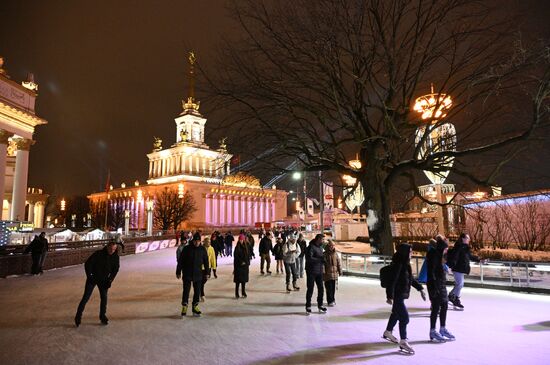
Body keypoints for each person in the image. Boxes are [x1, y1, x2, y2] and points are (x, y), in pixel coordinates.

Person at [382, 243, 426, 355]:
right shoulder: (399, 264)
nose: (412, 253)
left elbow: (410, 279)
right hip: (397, 295)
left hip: (401, 293)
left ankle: (388, 331)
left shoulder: (405, 264)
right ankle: (403, 341)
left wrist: (420, 289)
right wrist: (390, 296)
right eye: (410, 251)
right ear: (405, 252)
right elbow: (393, 280)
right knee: (404, 317)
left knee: (396, 314)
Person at [75, 240, 120, 326]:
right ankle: (78, 316)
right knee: (86, 297)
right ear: (107, 247)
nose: (112, 251)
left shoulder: (115, 257)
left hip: (104, 280)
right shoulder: (98, 254)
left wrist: (110, 280)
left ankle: (102, 316)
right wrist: (90, 276)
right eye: (110, 249)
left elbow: (115, 269)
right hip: (93, 279)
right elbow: (88, 264)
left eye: (114, 249)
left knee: (104, 298)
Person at [427, 236, 455, 342]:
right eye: (446, 248)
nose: (447, 250)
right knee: (435, 308)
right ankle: (432, 330)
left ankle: (442, 328)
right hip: (436, 286)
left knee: (444, 305)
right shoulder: (434, 256)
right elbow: (432, 273)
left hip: (441, 285)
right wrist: (434, 287)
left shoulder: (439, 256)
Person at [176, 232, 209, 317]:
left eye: (198, 241)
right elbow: (181, 261)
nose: (197, 243)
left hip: (198, 274)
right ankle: (184, 306)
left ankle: (195, 307)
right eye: (195, 241)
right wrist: (178, 271)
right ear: (193, 240)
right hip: (187, 273)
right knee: (186, 291)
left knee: (197, 291)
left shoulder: (202, 249)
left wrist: (207, 273)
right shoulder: (187, 249)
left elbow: (206, 261)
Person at [447, 233, 483, 310]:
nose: (469, 240)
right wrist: (451, 265)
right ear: (463, 239)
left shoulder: (465, 248)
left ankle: (451, 296)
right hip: (457, 268)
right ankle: (455, 298)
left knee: (459, 284)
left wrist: (479, 260)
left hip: (461, 268)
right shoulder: (459, 247)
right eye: (467, 238)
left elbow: (470, 256)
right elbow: (455, 257)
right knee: (460, 284)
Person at [305, 234, 326, 315]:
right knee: (310, 289)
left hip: (319, 271)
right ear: (318, 239)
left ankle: (320, 304)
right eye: (322, 240)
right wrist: (320, 259)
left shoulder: (320, 247)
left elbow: (321, 257)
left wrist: (323, 260)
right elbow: (309, 258)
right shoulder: (311, 247)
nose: (323, 241)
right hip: (311, 271)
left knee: (321, 289)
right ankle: (308, 306)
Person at [323, 239, 342, 306]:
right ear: (328, 246)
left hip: (334, 274)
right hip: (327, 274)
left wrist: (340, 271)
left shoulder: (336, 254)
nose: (332, 247)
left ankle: (333, 299)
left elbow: (338, 263)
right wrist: (323, 272)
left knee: (333, 288)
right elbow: (323, 264)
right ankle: (330, 300)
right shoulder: (325, 254)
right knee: (329, 288)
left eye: (333, 245)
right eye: (331, 245)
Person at [233, 234, 250, 298]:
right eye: (240, 239)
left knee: (243, 281)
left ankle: (243, 292)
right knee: (238, 281)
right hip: (239, 266)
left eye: (242, 239)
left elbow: (248, 256)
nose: (241, 241)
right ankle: (236, 293)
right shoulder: (237, 247)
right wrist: (241, 262)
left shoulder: (246, 247)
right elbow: (236, 257)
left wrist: (247, 262)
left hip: (245, 266)